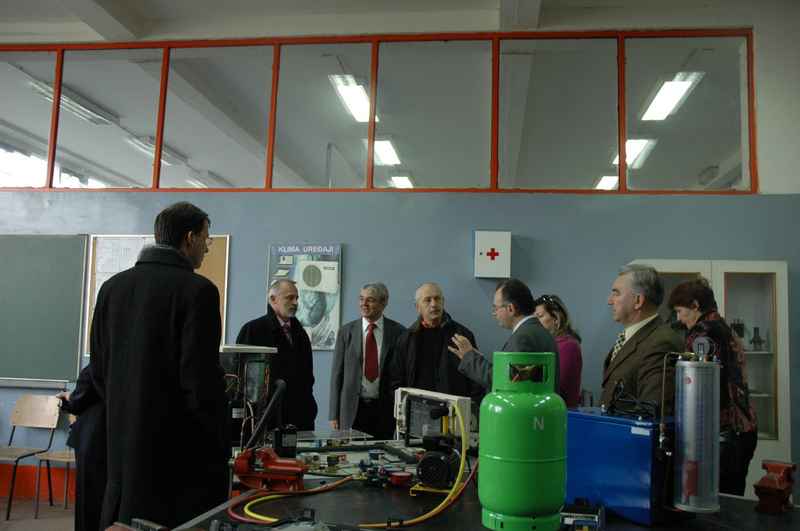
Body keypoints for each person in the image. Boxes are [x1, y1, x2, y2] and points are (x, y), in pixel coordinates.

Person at [90, 202, 229, 528]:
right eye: (206, 239)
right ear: (190, 238)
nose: (207, 247)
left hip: (122, 445)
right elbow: (199, 381)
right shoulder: (199, 291)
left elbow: (98, 370)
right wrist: (219, 434)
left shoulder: (112, 288)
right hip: (178, 455)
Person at [668, 278, 758, 496]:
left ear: (695, 306)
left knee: (709, 503)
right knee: (732, 499)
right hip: (745, 430)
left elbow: (697, 390)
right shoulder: (724, 327)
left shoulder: (702, 332)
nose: (679, 319)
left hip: (720, 436)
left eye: (680, 311)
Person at [449, 279, 558, 395]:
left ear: (510, 308)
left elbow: (504, 382)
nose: (494, 313)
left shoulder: (522, 338)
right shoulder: (540, 331)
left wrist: (469, 357)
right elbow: (513, 375)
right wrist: (478, 358)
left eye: (496, 308)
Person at [601, 264, 683, 415]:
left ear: (638, 301)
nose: (610, 301)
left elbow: (650, 412)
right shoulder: (632, 337)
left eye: (616, 293)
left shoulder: (661, 343)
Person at [237, 279, 318, 431]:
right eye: (290, 297)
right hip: (266, 419)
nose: (295, 302)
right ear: (273, 299)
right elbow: (243, 380)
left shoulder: (301, 334)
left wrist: (310, 408)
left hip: (300, 418)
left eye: (297, 298)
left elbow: (308, 377)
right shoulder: (253, 330)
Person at [329, 282, 406, 439]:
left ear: (383, 302)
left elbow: (403, 375)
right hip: (352, 410)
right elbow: (337, 374)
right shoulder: (346, 331)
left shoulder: (398, 332)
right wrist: (333, 414)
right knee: (350, 451)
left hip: (384, 410)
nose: (363, 304)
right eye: (361, 298)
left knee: (382, 450)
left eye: (370, 300)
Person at [389, 282, 484, 402]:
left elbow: (476, 378)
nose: (434, 304)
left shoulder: (462, 336)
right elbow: (396, 380)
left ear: (443, 302)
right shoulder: (406, 339)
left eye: (437, 299)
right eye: (427, 300)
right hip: (417, 408)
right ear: (418, 307)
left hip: (454, 409)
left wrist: (471, 407)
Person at [57, 364, 105, 531]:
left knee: (88, 496)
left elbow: (77, 403)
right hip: (116, 439)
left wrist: (66, 399)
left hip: (91, 439)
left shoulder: (95, 368)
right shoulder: (125, 367)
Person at [533, 294, 583, 408]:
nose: (535, 323)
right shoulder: (545, 344)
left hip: (561, 412)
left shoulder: (568, 346)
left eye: (540, 316)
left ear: (556, 318)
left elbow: (557, 385)